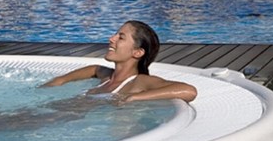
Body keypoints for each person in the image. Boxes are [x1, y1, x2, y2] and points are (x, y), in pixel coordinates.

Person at [40, 21, 197, 103]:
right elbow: (94, 69)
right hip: (54, 113)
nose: (112, 38)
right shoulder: (107, 75)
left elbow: (188, 91)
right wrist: (60, 80)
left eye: (120, 37)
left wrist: (132, 98)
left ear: (137, 52)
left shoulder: (139, 81)